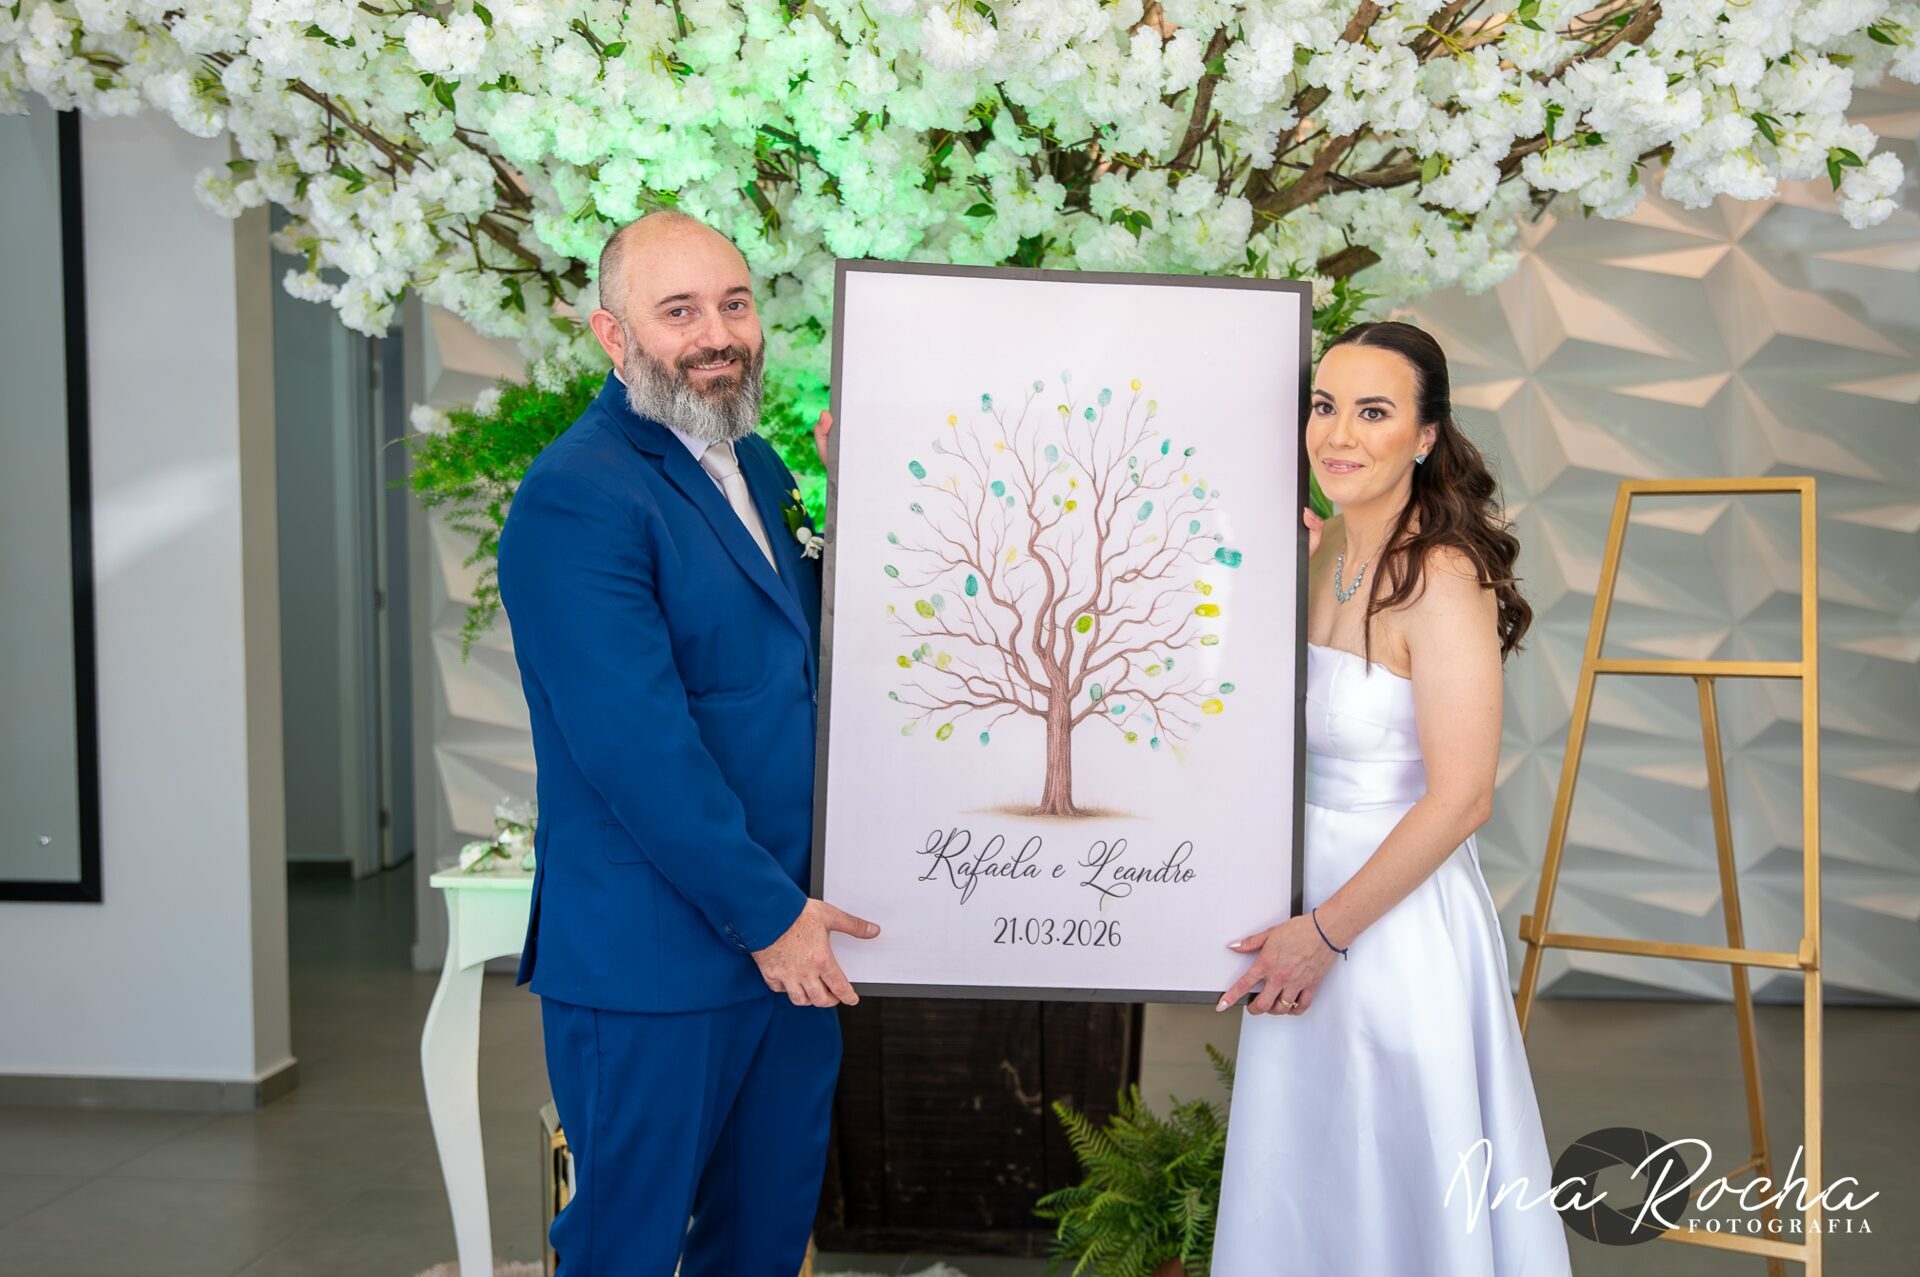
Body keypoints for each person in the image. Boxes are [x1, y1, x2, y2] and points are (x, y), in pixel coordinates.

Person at [495, 209, 879, 1276]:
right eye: (679, 311)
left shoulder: (761, 467)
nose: (718, 333)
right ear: (613, 336)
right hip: (657, 957)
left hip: (794, 949)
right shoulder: (576, 497)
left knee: (762, 1244)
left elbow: (806, 672)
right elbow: (636, 746)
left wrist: (866, 496)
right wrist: (772, 918)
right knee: (624, 1247)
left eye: (734, 303)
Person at [1211, 321, 1573, 1274]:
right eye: (1324, 406)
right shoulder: (1318, 547)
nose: (1339, 433)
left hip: (1391, 921)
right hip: (1301, 907)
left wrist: (1325, 934)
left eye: (1374, 412)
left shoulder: (1444, 576)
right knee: (1310, 1175)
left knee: (1398, 1170)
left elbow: (1462, 799)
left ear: (1425, 434)